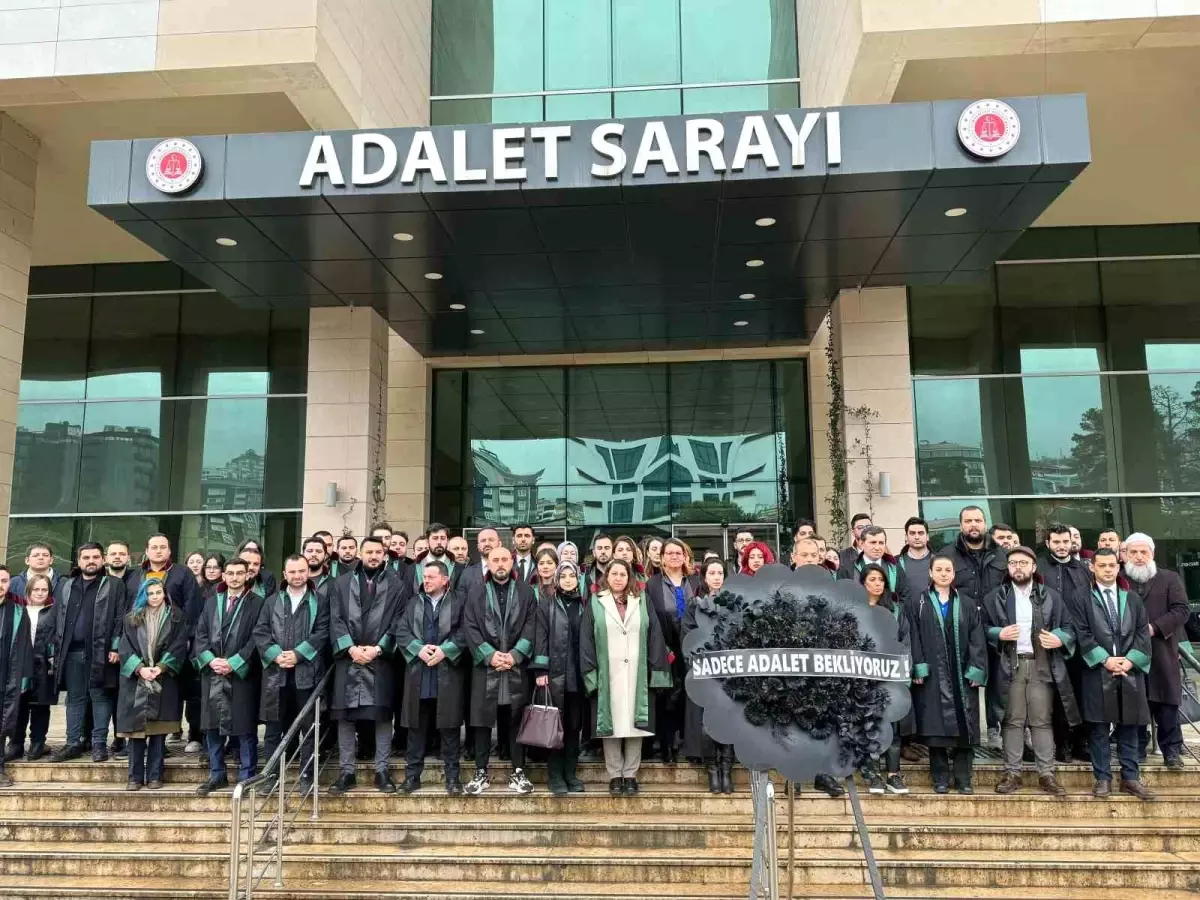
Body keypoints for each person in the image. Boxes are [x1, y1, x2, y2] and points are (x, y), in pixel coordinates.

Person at [982, 546, 1078, 796]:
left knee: (1041, 721)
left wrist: (1058, 639)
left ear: (1034, 567)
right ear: (1008, 567)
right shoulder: (995, 597)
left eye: (1023, 563)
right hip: (1009, 665)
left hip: (1041, 663)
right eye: (1013, 563)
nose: (1018, 567)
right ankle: (1012, 773)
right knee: (1012, 720)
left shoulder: (1051, 597)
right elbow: (980, 628)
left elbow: (1068, 627)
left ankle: (1046, 774)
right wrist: (998, 634)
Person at [581, 558, 670, 796]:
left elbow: (655, 636)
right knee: (610, 725)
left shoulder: (641, 601)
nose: (618, 578)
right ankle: (614, 774)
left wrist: (656, 671)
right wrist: (590, 675)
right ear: (606, 577)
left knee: (634, 725)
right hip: (607, 673)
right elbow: (586, 640)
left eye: (623, 574)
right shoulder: (595, 603)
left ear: (629, 577)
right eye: (614, 574)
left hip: (636, 673)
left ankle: (630, 774)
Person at [1070, 548, 1155, 799]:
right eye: (1102, 565)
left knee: (1129, 726)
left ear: (1118, 567)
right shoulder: (1080, 598)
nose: (1108, 569)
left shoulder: (1132, 599)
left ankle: (1130, 778)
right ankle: (1102, 778)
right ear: (1092, 568)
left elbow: (1142, 634)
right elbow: (1081, 633)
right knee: (1098, 729)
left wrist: (1130, 661)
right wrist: (1105, 660)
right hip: (1098, 670)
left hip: (1129, 670)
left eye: (1112, 565)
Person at [326, 536, 406, 795]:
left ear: (385, 554)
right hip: (348, 660)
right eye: (369, 551)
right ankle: (346, 772)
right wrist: (350, 648)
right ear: (360, 553)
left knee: (383, 716)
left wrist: (378, 648)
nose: (373, 556)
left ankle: (382, 771)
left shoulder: (397, 585)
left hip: (380, 659)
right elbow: (335, 619)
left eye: (378, 552)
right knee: (345, 717)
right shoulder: (342, 583)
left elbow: (399, 622)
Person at [909, 554, 987, 794]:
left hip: (960, 673)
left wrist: (976, 670)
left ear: (954, 574)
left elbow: (977, 638)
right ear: (930, 573)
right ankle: (940, 778)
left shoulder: (966, 603)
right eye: (939, 569)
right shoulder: (918, 603)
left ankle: (964, 779)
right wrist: (919, 666)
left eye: (948, 570)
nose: (944, 573)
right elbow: (914, 637)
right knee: (936, 729)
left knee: (966, 728)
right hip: (933, 675)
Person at [463, 545, 536, 795]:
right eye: (496, 560)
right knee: (482, 722)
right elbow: (470, 627)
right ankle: (481, 772)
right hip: (486, 667)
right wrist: (490, 655)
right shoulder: (476, 591)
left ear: (512, 561)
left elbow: (531, 624)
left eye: (505, 559)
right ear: (488, 562)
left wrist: (515, 655)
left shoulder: (526, 591)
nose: (501, 564)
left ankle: (518, 771)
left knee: (516, 720)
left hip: (516, 667)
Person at [254, 554, 329, 794]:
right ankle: (271, 775)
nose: (297, 576)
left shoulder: (321, 601)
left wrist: (298, 654)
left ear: (308, 572)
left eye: (301, 571)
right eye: (292, 572)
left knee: (308, 728)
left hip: (307, 674)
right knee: (274, 729)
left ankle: (307, 776)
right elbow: (261, 631)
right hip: (277, 674)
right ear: (284, 575)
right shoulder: (272, 601)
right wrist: (276, 654)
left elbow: (322, 632)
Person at [396, 558, 468, 795]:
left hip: (447, 672)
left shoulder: (459, 602)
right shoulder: (413, 602)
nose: (425, 581)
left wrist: (444, 651)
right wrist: (419, 649)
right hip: (419, 672)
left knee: (449, 728)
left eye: (431, 577)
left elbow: (466, 631)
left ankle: (452, 778)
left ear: (445, 579)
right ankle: (412, 777)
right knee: (416, 728)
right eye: (424, 577)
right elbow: (402, 631)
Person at [50, 544, 127, 763]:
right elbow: (58, 618)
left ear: (103, 560)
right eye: (86, 557)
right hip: (71, 652)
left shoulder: (114, 584)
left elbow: (120, 618)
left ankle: (99, 745)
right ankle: (73, 742)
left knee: (100, 697)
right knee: (74, 699)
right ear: (79, 560)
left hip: (101, 652)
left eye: (95, 557)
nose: (91, 561)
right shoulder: (67, 585)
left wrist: (115, 646)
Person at [193, 558, 264, 795]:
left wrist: (234, 663)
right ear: (223, 576)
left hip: (242, 675)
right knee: (212, 728)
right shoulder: (212, 602)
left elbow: (257, 638)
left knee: (244, 728)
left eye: (239, 573)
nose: (234, 577)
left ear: (247, 576)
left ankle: (247, 777)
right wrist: (211, 660)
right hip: (213, 673)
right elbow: (200, 633)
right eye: (230, 573)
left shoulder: (258, 604)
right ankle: (217, 774)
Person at [1122, 533, 1189, 769]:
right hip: (1127, 652)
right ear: (1125, 555)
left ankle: (1171, 751)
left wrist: (1154, 628)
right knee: (1134, 701)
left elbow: (1181, 610)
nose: (1139, 557)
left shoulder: (1169, 578)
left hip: (1161, 650)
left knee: (1167, 704)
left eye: (1143, 552)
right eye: (1133, 552)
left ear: (1152, 554)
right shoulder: (1118, 578)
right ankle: (1137, 750)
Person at [116, 578, 189, 791]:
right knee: (136, 732)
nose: (155, 597)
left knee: (158, 733)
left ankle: (156, 776)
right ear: (143, 595)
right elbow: (125, 647)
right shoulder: (131, 619)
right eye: (151, 593)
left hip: (163, 678)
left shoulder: (176, 617)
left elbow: (179, 645)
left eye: (158, 592)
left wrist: (162, 667)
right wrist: (140, 668)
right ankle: (134, 777)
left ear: (164, 593)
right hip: (136, 680)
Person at [945, 506, 1008, 749]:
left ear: (985, 523)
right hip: (962, 629)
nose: (973, 525)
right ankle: (963, 733)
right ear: (961, 525)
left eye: (978, 520)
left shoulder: (1002, 555)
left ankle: (995, 729)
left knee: (998, 682)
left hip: (995, 628)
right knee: (962, 681)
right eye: (968, 520)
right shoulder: (947, 554)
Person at [531, 561, 587, 796]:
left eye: (571, 576)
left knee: (574, 727)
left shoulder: (585, 604)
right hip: (554, 675)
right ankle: (555, 775)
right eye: (562, 576)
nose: (567, 580)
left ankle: (570, 773)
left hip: (579, 675)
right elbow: (540, 637)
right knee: (556, 726)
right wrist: (541, 671)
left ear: (577, 579)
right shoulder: (547, 604)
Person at [1038, 523, 1093, 762]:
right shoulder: (1038, 568)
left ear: (1072, 542)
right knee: (1056, 697)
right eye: (1056, 542)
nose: (1062, 546)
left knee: (1082, 694)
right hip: (1047, 642)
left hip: (1080, 644)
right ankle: (1062, 744)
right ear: (1048, 543)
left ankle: (1082, 742)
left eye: (1065, 541)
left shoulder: (1084, 570)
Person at [858, 563, 912, 795]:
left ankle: (893, 774)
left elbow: (906, 641)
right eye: (872, 579)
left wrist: (905, 670)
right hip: (863, 677)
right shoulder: (855, 610)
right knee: (868, 724)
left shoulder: (896, 610)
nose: (878, 583)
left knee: (893, 723)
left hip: (891, 675)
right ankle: (872, 774)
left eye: (881, 580)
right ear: (863, 583)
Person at [682, 558, 734, 793]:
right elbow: (688, 635)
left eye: (720, 573)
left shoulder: (733, 603)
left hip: (729, 671)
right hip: (704, 669)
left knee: (727, 719)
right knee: (705, 721)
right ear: (703, 577)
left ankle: (726, 768)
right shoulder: (695, 604)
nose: (716, 577)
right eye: (711, 573)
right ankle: (712, 769)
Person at [646, 538, 696, 764]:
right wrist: (662, 648)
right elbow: (651, 618)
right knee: (668, 698)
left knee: (692, 696)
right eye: (670, 553)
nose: (674, 556)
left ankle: (690, 744)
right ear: (662, 558)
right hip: (665, 648)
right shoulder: (652, 584)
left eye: (679, 553)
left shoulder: (695, 582)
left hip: (694, 647)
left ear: (685, 557)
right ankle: (667, 746)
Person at [5, 573, 56, 762]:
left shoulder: (54, 611)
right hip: (20, 664)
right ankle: (16, 743)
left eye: (44, 589)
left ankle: (38, 742)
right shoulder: (18, 610)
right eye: (36, 589)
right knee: (19, 705)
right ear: (29, 590)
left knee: (41, 706)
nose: (40, 593)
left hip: (44, 664)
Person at [0, 567, 32, 787]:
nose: (0, 584)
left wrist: (23, 678)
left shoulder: (18, 611)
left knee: (2, 722)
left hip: (6, 677)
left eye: (3, 580)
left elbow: (26, 649)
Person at [839, 526, 912, 607]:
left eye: (881, 543)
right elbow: (841, 597)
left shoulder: (895, 569)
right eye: (873, 542)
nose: (877, 548)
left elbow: (904, 597)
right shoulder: (848, 568)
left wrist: (895, 614)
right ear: (862, 544)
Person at [898, 517, 932, 600]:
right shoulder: (895, 563)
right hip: (905, 611)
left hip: (932, 611)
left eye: (920, 533)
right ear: (906, 537)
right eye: (912, 533)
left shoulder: (939, 561)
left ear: (927, 536)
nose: (917, 537)